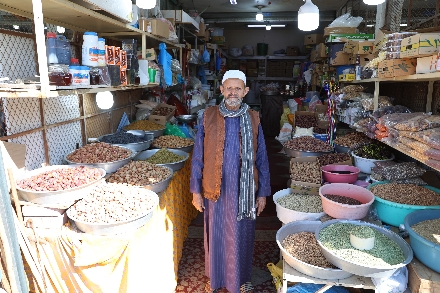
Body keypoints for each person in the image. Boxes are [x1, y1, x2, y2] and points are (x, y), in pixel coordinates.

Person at [190, 70, 271, 293]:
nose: (233, 92)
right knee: (216, 235)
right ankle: (214, 278)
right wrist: (196, 191)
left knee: (241, 234)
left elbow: (262, 157)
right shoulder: (209, 115)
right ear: (222, 90)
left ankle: (241, 279)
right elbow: (198, 156)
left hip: (244, 191)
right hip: (215, 187)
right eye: (229, 88)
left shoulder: (254, 118)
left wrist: (262, 192)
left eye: (238, 88)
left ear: (245, 92)